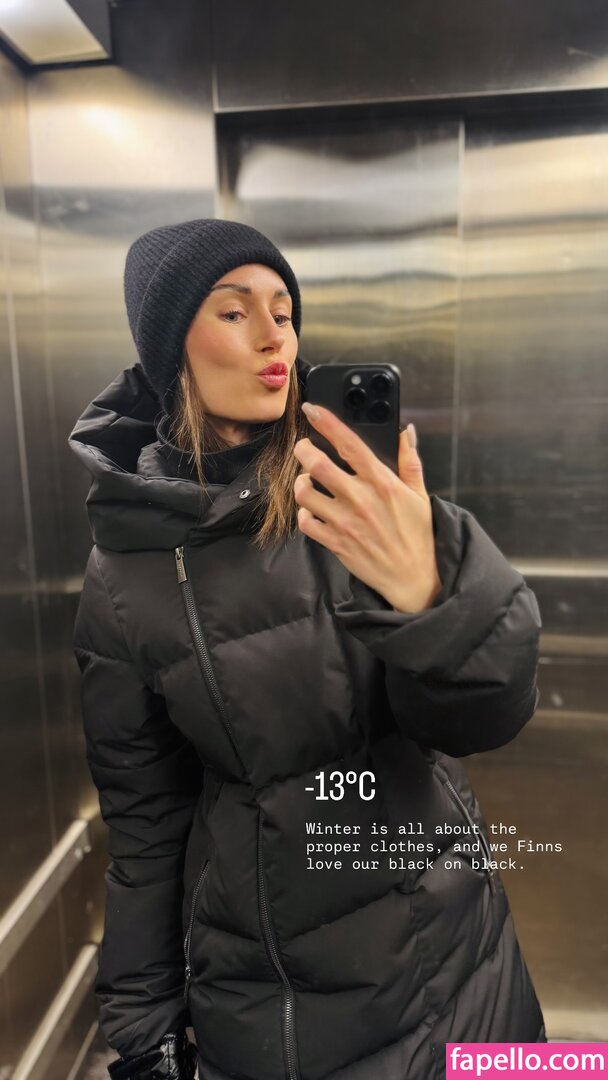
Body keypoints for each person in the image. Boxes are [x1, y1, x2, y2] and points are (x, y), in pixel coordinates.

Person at [68, 218, 546, 1080]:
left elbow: (484, 715)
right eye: (233, 311)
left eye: (284, 313)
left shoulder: (355, 495)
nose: (273, 338)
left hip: (452, 959)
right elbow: (145, 822)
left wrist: (432, 601)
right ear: (170, 348)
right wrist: (141, 1030)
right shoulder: (126, 567)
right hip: (264, 999)